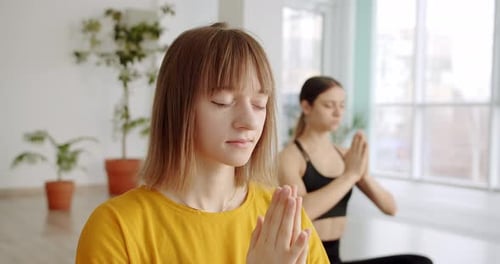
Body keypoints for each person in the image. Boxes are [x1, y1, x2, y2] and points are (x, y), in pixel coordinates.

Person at [76, 23, 329, 263]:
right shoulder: (116, 228)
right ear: (178, 107)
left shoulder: (281, 217)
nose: (250, 122)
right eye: (223, 101)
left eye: (259, 104)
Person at [278, 76, 433, 264]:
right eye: (329, 105)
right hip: (307, 260)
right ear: (306, 107)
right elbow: (303, 211)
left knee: (418, 262)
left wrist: (362, 174)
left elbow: (390, 208)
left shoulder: (345, 156)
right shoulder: (290, 157)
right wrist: (350, 175)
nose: (337, 112)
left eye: (342, 105)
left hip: (335, 259)